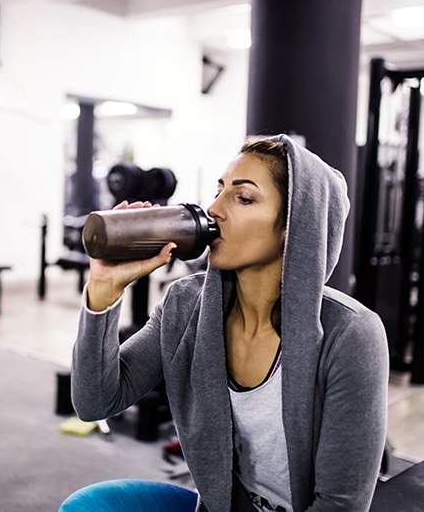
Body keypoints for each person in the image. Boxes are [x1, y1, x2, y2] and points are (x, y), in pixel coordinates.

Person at [64, 134, 388, 512]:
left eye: (244, 197)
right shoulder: (186, 305)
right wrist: (103, 292)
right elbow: (95, 401)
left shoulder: (352, 334)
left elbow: (339, 506)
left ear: (293, 226)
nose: (214, 209)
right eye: (219, 190)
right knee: (88, 507)